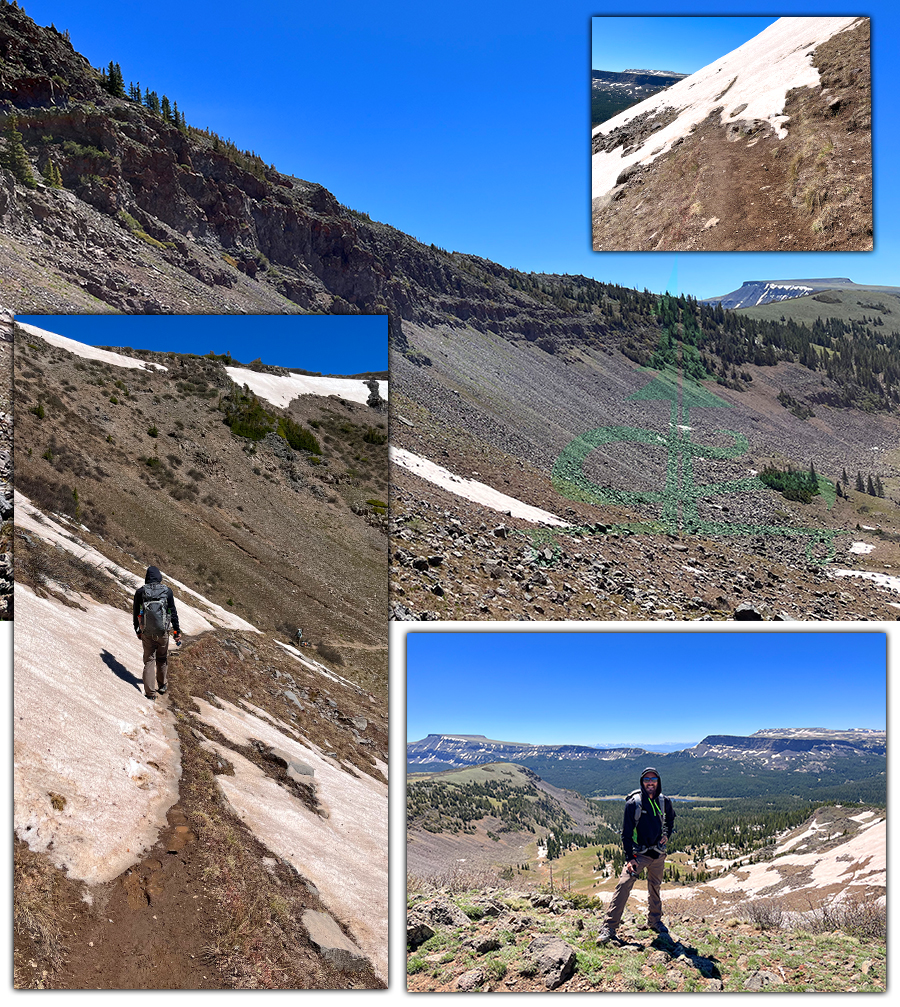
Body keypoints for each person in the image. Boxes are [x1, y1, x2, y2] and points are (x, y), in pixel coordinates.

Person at [597, 767, 676, 943]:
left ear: (658, 781)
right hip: (639, 854)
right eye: (646, 779)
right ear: (642, 783)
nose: (650, 782)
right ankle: (609, 927)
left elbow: (670, 820)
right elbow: (626, 833)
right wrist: (629, 858)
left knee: (655, 886)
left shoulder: (665, 802)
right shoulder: (634, 804)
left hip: (658, 853)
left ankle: (654, 921)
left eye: (653, 779)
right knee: (624, 884)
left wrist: (666, 835)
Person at [133, 565, 182, 701]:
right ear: (159, 577)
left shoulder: (140, 592)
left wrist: (138, 630)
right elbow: (172, 612)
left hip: (147, 632)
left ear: (147, 577)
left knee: (149, 660)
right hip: (162, 632)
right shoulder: (167, 591)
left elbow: (136, 612)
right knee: (161, 658)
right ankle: (162, 685)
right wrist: (176, 631)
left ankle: (150, 694)